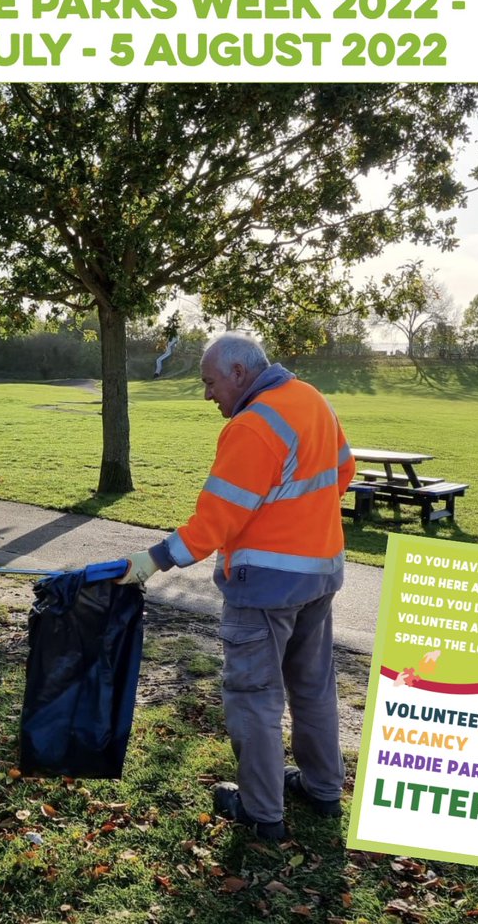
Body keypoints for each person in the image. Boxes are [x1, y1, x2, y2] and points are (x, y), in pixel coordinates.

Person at [111, 333, 355, 839]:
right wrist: (300, 520)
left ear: (239, 374)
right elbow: (343, 472)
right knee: (313, 689)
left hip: (263, 588)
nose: (207, 394)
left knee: (254, 698)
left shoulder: (252, 425)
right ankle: (323, 790)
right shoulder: (312, 400)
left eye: (209, 381)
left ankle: (263, 813)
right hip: (322, 574)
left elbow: (215, 520)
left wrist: (151, 560)